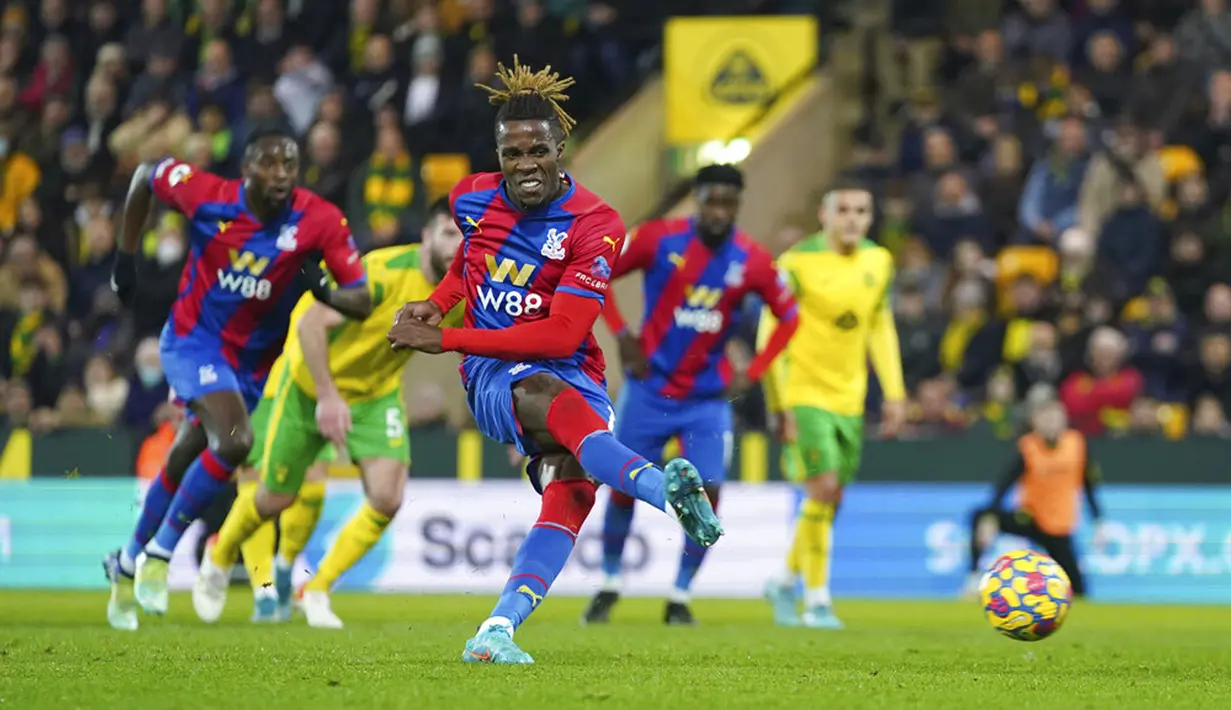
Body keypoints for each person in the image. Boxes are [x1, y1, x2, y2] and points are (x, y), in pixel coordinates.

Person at [385, 56, 722, 664]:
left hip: (573, 366)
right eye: (511, 154)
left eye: (536, 151)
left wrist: (448, 336)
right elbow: (471, 265)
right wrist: (440, 305)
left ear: (560, 145)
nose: (525, 166)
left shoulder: (596, 225)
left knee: (574, 486)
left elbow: (562, 336)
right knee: (539, 391)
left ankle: (496, 630)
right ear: (498, 154)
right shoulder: (470, 199)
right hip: (493, 374)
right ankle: (662, 493)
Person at [103, 124, 374, 631]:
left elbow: (362, 298)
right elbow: (144, 176)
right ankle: (161, 555)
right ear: (246, 168)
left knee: (186, 453)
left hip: (252, 364)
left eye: (289, 165)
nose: (280, 174)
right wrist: (126, 257)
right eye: (269, 164)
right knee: (234, 440)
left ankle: (124, 563)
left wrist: (327, 293)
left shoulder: (319, 219)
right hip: (193, 340)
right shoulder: (208, 195)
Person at [191, 198, 464, 628]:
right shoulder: (381, 274)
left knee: (388, 496)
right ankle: (221, 553)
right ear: (427, 236)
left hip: (375, 393)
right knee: (275, 495)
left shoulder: (465, 288)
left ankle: (313, 588)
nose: (458, 244)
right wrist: (327, 396)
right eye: (449, 233)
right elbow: (311, 324)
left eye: (467, 234)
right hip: (307, 382)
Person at [581, 164, 799, 626]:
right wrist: (621, 333)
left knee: (709, 492)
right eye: (711, 200)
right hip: (649, 391)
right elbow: (595, 273)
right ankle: (609, 583)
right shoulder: (659, 238)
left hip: (707, 398)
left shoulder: (752, 260)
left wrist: (754, 371)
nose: (718, 211)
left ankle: (680, 596)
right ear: (697, 199)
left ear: (738, 206)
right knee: (623, 486)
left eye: (728, 203)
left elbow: (790, 316)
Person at [761, 182, 907, 629]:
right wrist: (780, 401)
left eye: (861, 210)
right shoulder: (795, 265)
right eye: (843, 209)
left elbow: (879, 325)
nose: (852, 218)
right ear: (823, 215)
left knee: (832, 497)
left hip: (851, 398)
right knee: (822, 487)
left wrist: (895, 391)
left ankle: (784, 580)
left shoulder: (878, 261)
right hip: (805, 392)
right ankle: (817, 600)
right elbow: (770, 330)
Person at [963, 399, 1104, 599]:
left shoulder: (1077, 445)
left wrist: (1099, 522)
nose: (1051, 424)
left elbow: (1089, 486)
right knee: (980, 515)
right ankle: (974, 577)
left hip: (1058, 527)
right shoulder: (1028, 447)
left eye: (1055, 418)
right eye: (1045, 419)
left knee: (1079, 591)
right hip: (1030, 517)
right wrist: (991, 518)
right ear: (1035, 422)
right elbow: (1003, 486)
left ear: (1064, 420)